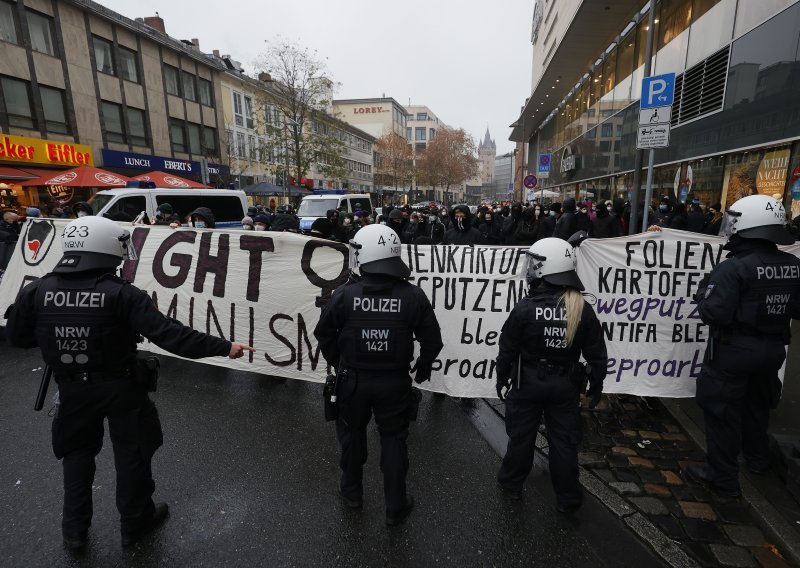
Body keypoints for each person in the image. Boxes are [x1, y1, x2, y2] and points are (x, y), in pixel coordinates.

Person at [4, 215, 254, 553]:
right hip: (121, 387)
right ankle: (135, 523)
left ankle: (74, 533)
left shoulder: (38, 290)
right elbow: (170, 335)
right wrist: (225, 347)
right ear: (106, 251)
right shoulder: (122, 294)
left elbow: (18, 337)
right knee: (133, 453)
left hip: (72, 390)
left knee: (77, 457)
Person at [314, 224, 443, 526]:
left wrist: (340, 362)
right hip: (394, 382)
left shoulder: (344, 295)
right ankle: (395, 506)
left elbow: (324, 334)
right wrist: (422, 368)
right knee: (394, 441)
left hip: (353, 382)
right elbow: (432, 341)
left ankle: (352, 494)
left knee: (352, 437)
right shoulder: (413, 296)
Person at [684, 194, 800, 497]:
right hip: (773, 350)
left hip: (733, 352)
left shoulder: (734, 268)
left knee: (721, 413)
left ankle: (722, 476)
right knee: (757, 407)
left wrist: (703, 290)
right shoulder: (793, 264)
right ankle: (758, 461)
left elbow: (713, 312)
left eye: (734, 221)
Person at [495, 237, 607, 511]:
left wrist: (501, 377)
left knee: (521, 437)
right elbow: (597, 353)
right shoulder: (581, 308)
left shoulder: (524, 308)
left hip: (528, 383)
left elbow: (507, 348)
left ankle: (511, 486)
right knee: (564, 442)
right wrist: (596, 384)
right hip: (566, 385)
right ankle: (568, 499)